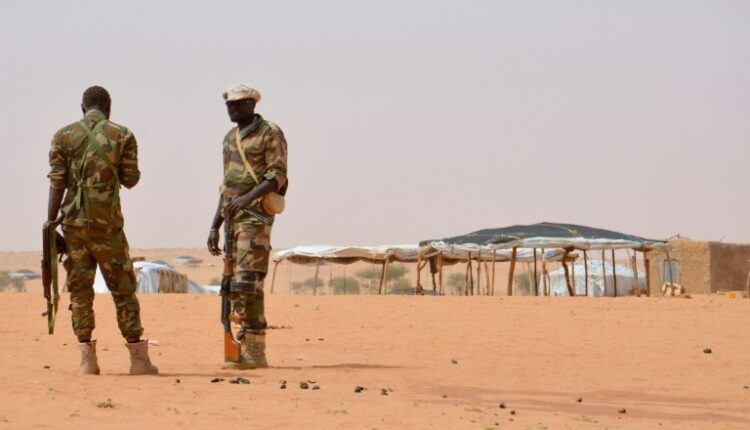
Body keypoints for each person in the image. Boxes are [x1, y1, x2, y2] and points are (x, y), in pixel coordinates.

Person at [46, 85, 158, 375]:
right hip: (107, 226)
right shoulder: (122, 135)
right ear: (108, 108)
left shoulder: (62, 136)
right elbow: (131, 179)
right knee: (123, 289)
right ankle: (139, 360)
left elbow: (57, 181)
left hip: (73, 227)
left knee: (80, 292)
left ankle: (87, 360)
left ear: (83, 107)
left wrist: (51, 222)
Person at [207, 83, 288, 369]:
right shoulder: (229, 138)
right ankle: (239, 339)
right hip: (231, 220)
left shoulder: (270, 133)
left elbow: (277, 176)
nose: (232, 108)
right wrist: (214, 225)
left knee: (248, 280)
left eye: (238, 103)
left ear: (252, 104)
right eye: (229, 104)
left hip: (256, 217)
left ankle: (255, 347)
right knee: (231, 284)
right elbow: (226, 186)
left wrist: (247, 199)